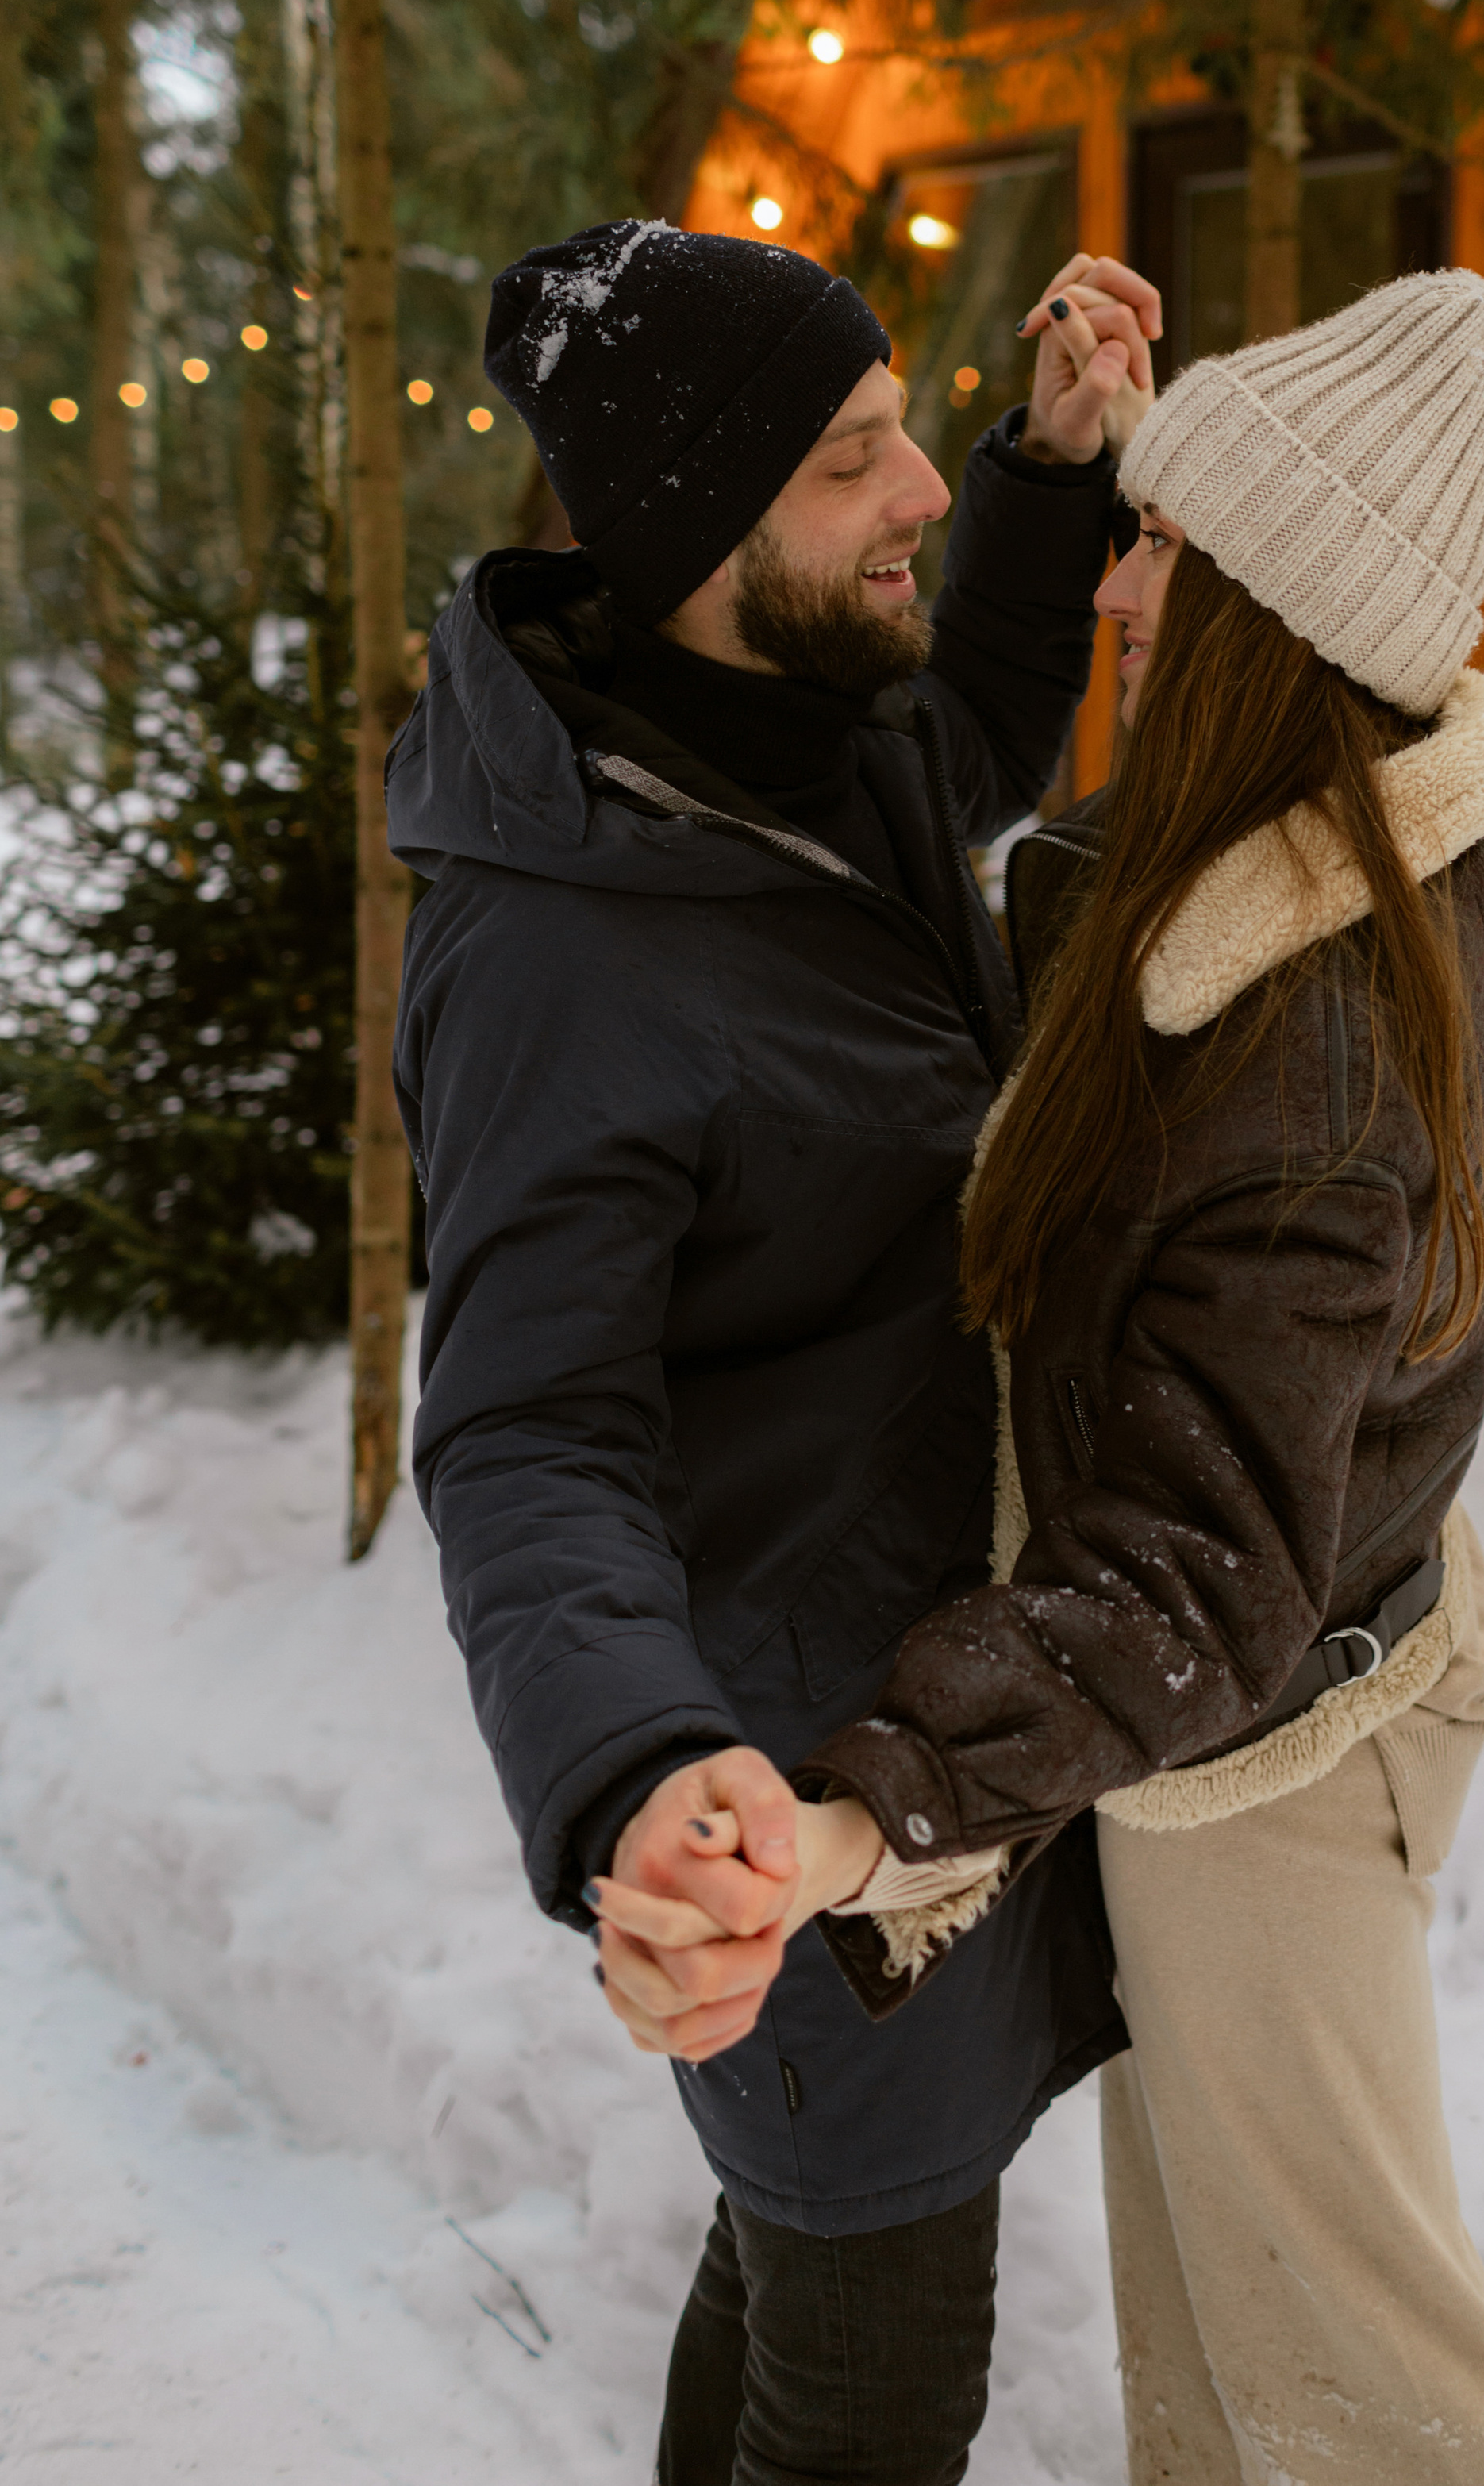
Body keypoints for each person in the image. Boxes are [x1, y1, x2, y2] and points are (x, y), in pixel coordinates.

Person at [594, 268, 1484, 2485]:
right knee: (1228, 2380)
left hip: (1277, 1749)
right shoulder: (1352, 802)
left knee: (1369, 2395)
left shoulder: (1308, 1042)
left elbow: (1202, 1564)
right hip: (1253, 1705)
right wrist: (1070, 477)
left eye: (1161, 550)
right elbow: (977, 784)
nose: (1125, 588)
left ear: (1265, 612)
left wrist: (878, 1809)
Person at [388, 217, 1164, 2486]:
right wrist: (637, 1763)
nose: (915, 489)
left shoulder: (795, 730)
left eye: (908, 428)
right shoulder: (555, 952)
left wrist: (1049, 470)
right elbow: (527, 1431)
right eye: (857, 461)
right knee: (872, 2376)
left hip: (926, 1714)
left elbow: (967, 734)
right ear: (700, 528)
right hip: (786, 1801)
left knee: (803, 2276)